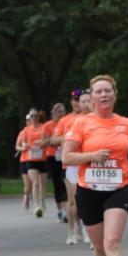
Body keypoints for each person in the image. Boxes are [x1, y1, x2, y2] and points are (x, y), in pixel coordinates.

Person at [62, 75, 128, 256]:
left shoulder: (126, 123)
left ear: (115, 95)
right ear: (92, 98)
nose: (104, 95)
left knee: (112, 242)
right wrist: (92, 155)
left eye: (108, 90)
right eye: (99, 92)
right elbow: (67, 158)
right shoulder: (81, 124)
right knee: (99, 246)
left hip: (119, 188)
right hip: (89, 190)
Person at [53, 90, 89, 244]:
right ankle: (72, 231)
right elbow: (54, 139)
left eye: (80, 100)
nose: (78, 103)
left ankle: (87, 229)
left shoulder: (92, 118)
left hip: (88, 161)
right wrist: (68, 138)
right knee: (73, 200)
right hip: (72, 163)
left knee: (87, 198)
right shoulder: (66, 120)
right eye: (75, 100)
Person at [17, 109, 49, 217]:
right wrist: (25, 145)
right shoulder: (26, 130)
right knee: (34, 183)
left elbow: (46, 142)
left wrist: (41, 143)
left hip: (42, 158)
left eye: (36, 116)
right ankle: (37, 206)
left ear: (38, 117)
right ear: (29, 118)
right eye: (32, 116)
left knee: (43, 183)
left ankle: (43, 199)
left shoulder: (43, 127)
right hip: (30, 159)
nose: (34, 118)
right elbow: (23, 142)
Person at [44, 102, 69, 224]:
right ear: (53, 112)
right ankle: (60, 210)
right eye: (58, 111)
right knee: (57, 184)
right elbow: (43, 142)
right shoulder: (48, 125)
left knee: (65, 182)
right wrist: (54, 141)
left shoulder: (68, 122)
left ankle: (66, 211)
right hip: (52, 156)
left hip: (65, 155)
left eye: (63, 111)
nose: (61, 114)